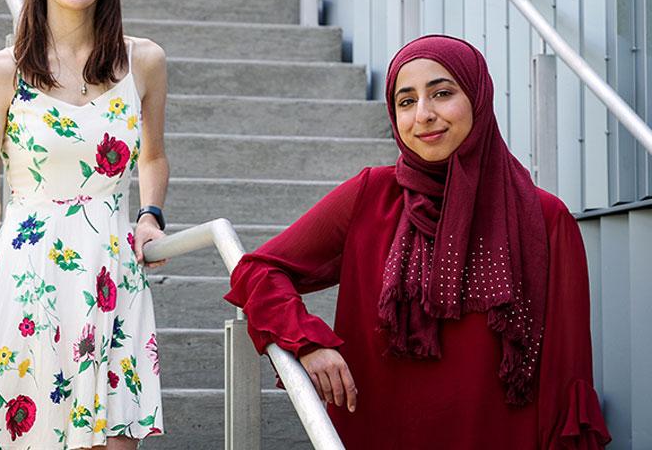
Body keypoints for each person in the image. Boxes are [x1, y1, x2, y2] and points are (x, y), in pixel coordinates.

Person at [225, 35, 611, 449]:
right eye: (406, 102)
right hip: (380, 431)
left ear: (479, 98)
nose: (423, 115)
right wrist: (306, 342)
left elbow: (564, 371)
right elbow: (259, 270)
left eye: (442, 93)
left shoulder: (544, 217)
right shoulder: (370, 195)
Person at [0, 0, 168, 450]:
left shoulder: (143, 62)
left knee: (114, 441)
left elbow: (154, 158)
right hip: (28, 280)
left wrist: (150, 214)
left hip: (112, 274)